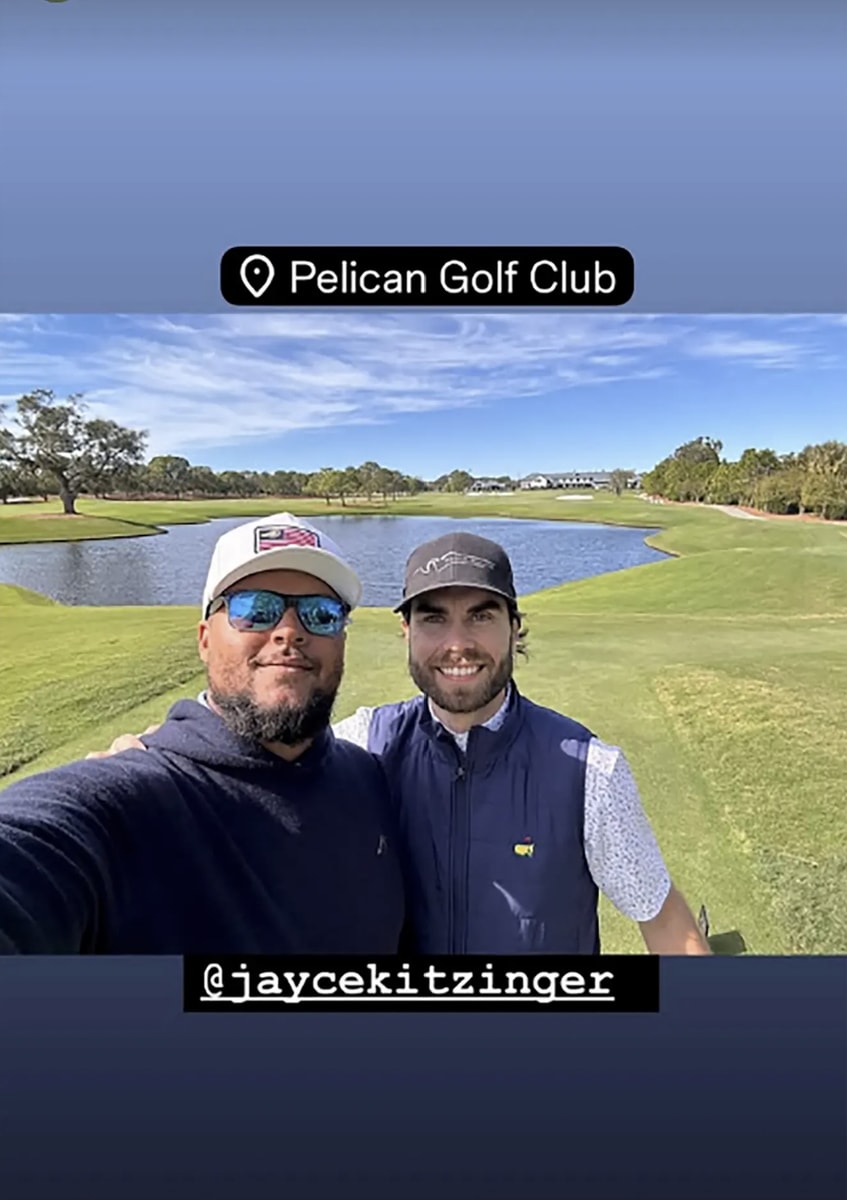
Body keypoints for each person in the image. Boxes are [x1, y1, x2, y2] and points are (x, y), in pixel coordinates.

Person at [96, 527, 710, 956]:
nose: (457, 643)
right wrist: (155, 757)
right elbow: (255, 761)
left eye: (482, 615)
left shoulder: (588, 772)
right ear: (406, 633)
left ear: (515, 628)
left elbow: (661, 916)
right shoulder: (364, 744)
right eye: (433, 617)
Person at [0, 514, 405, 954]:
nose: (290, 631)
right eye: (254, 608)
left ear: (342, 639)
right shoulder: (128, 800)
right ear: (205, 639)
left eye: (321, 614)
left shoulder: (368, 776)